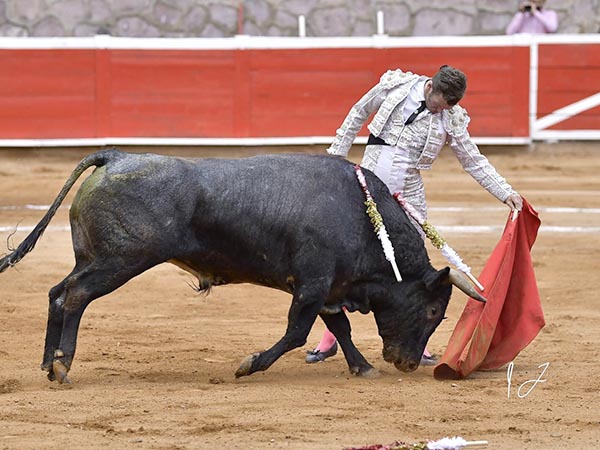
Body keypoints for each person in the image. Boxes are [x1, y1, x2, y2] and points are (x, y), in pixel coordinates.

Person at [306, 65, 523, 366]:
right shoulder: (396, 87)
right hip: (365, 185)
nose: (441, 111)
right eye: (440, 104)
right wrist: (336, 158)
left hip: (409, 194)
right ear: (431, 87)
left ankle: (417, 341)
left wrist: (504, 191)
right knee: (345, 261)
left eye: (448, 107)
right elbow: (358, 112)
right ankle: (330, 339)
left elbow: (473, 160)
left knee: (415, 271)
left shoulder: (450, 117)